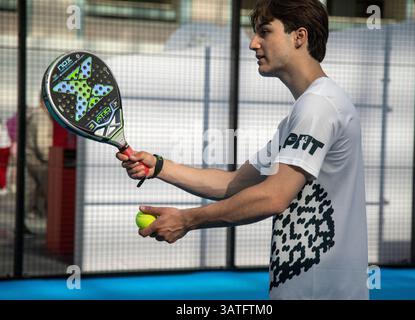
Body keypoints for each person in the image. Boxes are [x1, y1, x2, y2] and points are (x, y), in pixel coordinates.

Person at [117, 0, 368, 300]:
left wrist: (187, 220)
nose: (253, 44)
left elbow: (273, 196)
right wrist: (159, 166)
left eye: (265, 32)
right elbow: (234, 183)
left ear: (299, 37)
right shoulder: (303, 112)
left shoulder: (319, 106)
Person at [25, 99, 53, 219]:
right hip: (40, 161)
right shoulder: (42, 117)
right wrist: (49, 159)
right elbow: (42, 143)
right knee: (48, 189)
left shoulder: (34, 115)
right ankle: (48, 215)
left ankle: (31, 212)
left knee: (33, 189)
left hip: (30, 157)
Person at [0, 119, 11, 196]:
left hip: (2, 148)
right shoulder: (3, 126)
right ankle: (4, 185)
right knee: (4, 168)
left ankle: (3, 186)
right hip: (7, 146)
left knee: (1, 168)